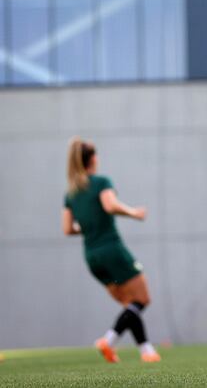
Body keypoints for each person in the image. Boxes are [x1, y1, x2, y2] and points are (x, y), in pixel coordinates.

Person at [63, 137, 160, 363]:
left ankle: (147, 352)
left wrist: (89, 225)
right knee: (142, 299)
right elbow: (110, 205)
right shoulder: (100, 182)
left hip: (92, 257)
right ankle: (108, 339)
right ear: (93, 159)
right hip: (111, 250)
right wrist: (134, 213)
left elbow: (67, 229)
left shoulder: (70, 194)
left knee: (130, 305)